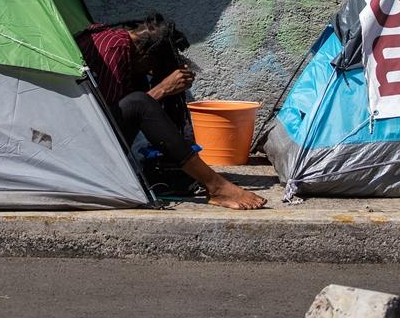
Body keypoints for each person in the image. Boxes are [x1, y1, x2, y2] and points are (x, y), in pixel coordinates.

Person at [76, 14, 267, 210]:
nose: (149, 73)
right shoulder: (113, 47)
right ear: (145, 53)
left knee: (140, 97)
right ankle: (216, 186)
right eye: (151, 67)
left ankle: (188, 173)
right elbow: (105, 119)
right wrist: (162, 89)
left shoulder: (123, 44)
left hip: (87, 137)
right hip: (81, 147)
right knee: (140, 102)